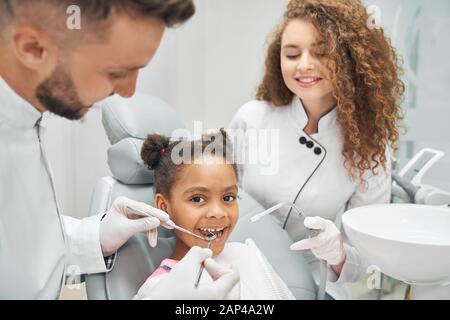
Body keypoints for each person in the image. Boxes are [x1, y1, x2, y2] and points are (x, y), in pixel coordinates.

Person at [0, 0, 237, 300]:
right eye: (116, 72)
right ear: (33, 48)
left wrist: (94, 237)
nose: (128, 92)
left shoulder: (23, 120)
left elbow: (20, 249)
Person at [229, 0, 404, 299]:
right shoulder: (251, 118)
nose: (304, 64)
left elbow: (366, 264)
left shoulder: (369, 152)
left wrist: (337, 253)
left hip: (307, 283)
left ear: (350, 59)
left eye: (322, 53)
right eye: (292, 54)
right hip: (234, 265)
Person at [134, 130, 295, 300]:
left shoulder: (245, 255)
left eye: (228, 197)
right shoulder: (160, 289)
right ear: (164, 207)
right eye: (197, 199)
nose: (218, 213)